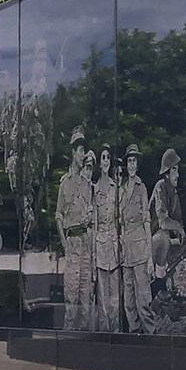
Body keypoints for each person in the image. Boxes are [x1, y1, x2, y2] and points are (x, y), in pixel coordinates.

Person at [56, 128, 93, 330]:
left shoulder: (87, 185)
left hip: (86, 243)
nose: (82, 154)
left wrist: (90, 217)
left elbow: (91, 210)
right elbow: (58, 215)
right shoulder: (65, 184)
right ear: (72, 152)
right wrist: (64, 244)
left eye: (83, 150)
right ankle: (68, 343)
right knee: (71, 298)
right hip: (72, 244)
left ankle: (85, 346)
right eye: (80, 150)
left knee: (85, 299)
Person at [117, 144, 152, 333]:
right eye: (129, 161)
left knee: (143, 296)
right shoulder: (121, 190)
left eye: (134, 161)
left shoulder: (142, 188)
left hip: (140, 247)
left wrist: (150, 257)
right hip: (126, 249)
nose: (131, 164)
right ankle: (134, 331)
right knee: (128, 299)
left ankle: (151, 333)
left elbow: (147, 220)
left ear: (137, 165)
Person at [92, 145, 122, 332]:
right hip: (101, 244)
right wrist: (95, 253)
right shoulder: (94, 189)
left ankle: (116, 331)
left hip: (113, 245)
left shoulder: (115, 188)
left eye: (107, 158)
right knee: (102, 296)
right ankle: (104, 332)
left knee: (115, 296)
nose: (105, 161)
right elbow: (94, 222)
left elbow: (119, 219)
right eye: (103, 158)